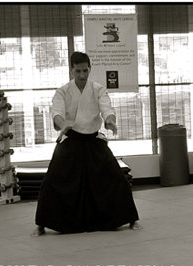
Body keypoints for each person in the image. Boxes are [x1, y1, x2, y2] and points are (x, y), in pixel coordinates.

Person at [32, 52, 140, 236]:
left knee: (116, 176)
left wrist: (110, 120)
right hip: (71, 138)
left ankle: (131, 219)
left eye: (85, 70)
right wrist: (62, 123)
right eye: (78, 71)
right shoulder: (62, 91)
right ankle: (41, 224)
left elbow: (107, 108)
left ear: (90, 68)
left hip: (92, 140)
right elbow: (57, 113)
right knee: (52, 178)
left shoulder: (98, 89)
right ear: (71, 70)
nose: (82, 75)